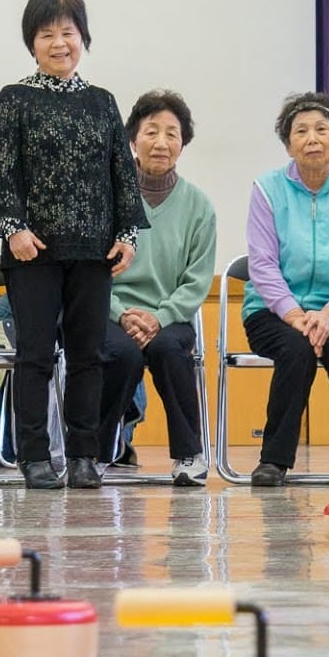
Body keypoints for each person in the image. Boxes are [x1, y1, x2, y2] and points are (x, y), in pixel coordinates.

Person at [0, 0, 144, 490]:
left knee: (88, 357)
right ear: (32, 42)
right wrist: (13, 230)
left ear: (83, 38)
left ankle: (82, 455)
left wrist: (126, 234)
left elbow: (122, 172)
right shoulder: (14, 99)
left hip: (93, 252)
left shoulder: (102, 102)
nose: (59, 43)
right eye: (47, 34)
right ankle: (33, 456)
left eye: (68, 33)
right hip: (32, 251)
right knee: (33, 355)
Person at [241, 92, 329, 487]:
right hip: (272, 313)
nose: (312, 138)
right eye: (300, 131)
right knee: (296, 346)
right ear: (288, 144)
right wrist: (295, 315)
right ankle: (274, 460)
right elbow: (263, 264)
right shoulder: (267, 188)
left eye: (322, 129)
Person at [97, 90, 215, 486]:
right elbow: (90, 271)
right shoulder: (107, 196)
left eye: (172, 134)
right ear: (133, 140)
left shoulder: (199, 206)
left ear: (183, 144)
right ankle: (96, 452)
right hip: (110, 311)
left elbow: (197, 281)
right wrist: (122, 314)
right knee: (123, 354)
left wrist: (159, 317)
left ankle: (189, 456)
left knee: (168, 349)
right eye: (151, 132)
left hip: (170, 314)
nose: (161, 143)